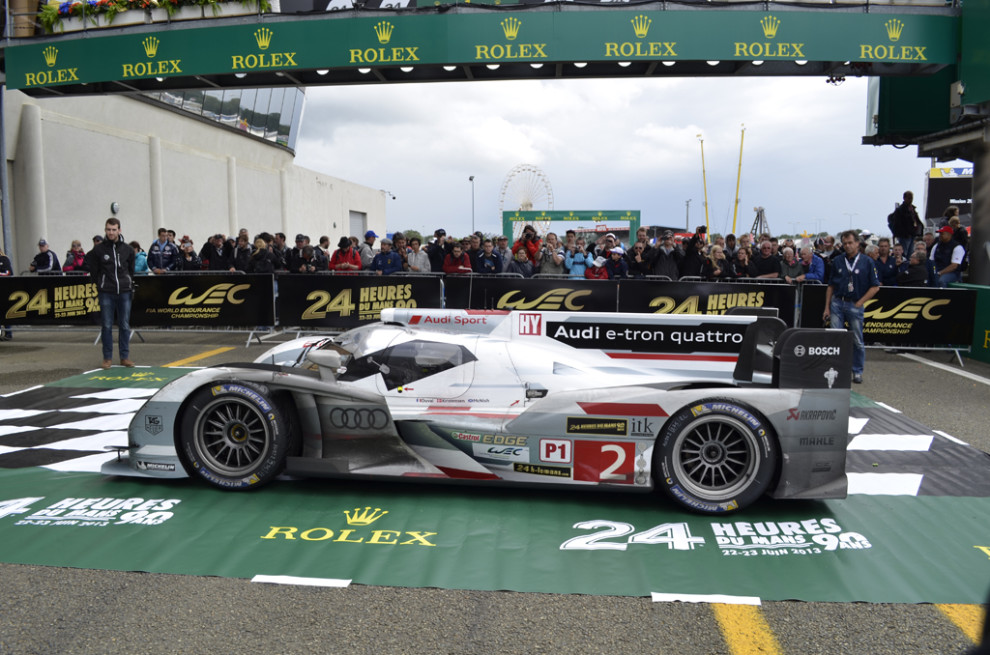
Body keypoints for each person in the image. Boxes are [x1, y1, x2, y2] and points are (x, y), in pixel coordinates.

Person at [824, 230, 880, 384]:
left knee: (856, 340)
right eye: (845, 243)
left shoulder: (867, 262)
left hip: (855, 303)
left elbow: (875, 287)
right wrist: (826, 307)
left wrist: (860, 302)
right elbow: (830, 286)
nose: (847, 246)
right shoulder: (837, 261)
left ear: (857, 243)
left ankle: (857, 371)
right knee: (836, 338)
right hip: (837, 302)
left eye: (850, 243)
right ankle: (836, 369)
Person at [85, 217, 136, 369]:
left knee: (124, 325)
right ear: (105, 230)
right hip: (106, 292)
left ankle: (124, 357)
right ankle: (107, 358)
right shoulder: (99, 250)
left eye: (114, 229)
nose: (111, 232)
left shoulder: (127, 249)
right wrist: (99, 284)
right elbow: (93, 270)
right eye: (108, 229)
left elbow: (131, 270)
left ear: (119, 230)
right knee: (106, 325)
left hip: (124, 292)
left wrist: (127, 282)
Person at [889, 191, 923, 255]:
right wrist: (904, 233)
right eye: (909, 198)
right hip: (904, 236)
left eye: (911, 198)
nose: (910, 200)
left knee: (910, 253)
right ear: (904, 198)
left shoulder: (911, 209)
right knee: (904, 252)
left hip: (912, 234)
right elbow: (898, 224)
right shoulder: (900, 210)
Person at [0, 246, 12, 340]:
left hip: (4, 289)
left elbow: (8, 273)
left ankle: (8, 333)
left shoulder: (4, 259)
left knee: (5, 312)